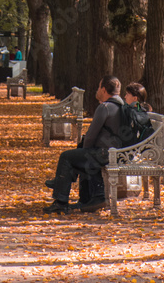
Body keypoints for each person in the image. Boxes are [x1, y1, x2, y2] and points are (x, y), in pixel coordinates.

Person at [43, 75, 124, 214]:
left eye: (99, 87)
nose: (97, 90)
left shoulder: (104, 107)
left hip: (104, 153)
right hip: (120, 153)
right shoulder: (122, 106)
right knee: (81, 157)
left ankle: (60, 200)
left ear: (104, 90)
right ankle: (90, 198)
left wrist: (84, 150)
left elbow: (91, 135)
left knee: (67, 157)